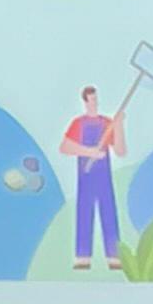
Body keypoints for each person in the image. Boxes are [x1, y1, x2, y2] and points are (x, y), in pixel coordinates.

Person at [59, 84, 126, 270]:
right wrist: (89, 152)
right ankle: (83, 256)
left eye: (96, 99)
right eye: (91, 100)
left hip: (104, 175)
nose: (94, 103)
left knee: (108, 210)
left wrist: (119, 126)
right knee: (84, 211)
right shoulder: (78, 123)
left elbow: (120, 151)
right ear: (85, 101)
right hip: (86, 175)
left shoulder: (107, 123)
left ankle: (114, 256)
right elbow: (65, 147)